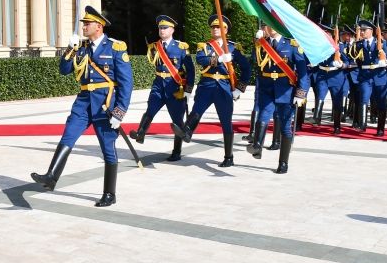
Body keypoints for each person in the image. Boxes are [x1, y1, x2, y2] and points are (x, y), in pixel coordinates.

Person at [31, 6, 133, 207]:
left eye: (88, 23)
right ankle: (52, 176)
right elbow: (64, 70)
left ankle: (109, 194)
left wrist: (120, 112)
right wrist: (70, 49)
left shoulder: (115, 47)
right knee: (68, 135)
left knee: (108, 149)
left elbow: (126, 83)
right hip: (84, 101)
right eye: (84, 23)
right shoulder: (82, 47)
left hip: (105, 104)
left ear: (99, 26)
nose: (84, 26)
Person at [173, 15, 251, 167]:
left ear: (226, 30)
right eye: (213, 27)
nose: (215, 29)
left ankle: (229, 157)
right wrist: (219, 59)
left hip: (224, 86)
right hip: (207, 85)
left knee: (226, 122)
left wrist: (240, 89)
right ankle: (187, 132)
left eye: (219, 27)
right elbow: (200, 60)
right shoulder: (205, 46)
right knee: (196, 111)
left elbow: (246, 68)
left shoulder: (234, 47)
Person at [248, 23, 310, 174]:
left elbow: (303, 72)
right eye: (267, 25)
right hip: (266, 88)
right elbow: (254, 62)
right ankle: (257, 146)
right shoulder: (262, 44)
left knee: (285, 126)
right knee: (263, 116)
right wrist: (256, 44)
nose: (271, 27)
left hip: (285, 90)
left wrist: (301, 93)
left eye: (274, 24)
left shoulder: (292, 45)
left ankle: (283, 163)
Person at [129, 15, 194, 146]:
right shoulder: (154, 47)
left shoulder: (181, 47)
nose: (162, 30)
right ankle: (140, 133)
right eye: (160, 28)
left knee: (176, 119)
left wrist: (188, 89)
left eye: (165, 28)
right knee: (150, 109)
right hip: (158, 84)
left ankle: (182, 141)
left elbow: (191, 70)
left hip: (175, 87)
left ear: (172, 30)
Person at [350, 19, 387, 136]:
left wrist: (383, 61)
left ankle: (380, 128)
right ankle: (362, 125)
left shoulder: (381, 43)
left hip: (379, 75)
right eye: (360, 30)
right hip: (365, 76)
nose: (362, 32)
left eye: (364, 30)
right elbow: (355, 58)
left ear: (371, 31)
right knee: (364, 98)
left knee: (380, 102)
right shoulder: (358, 44)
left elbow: (386, 57)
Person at [312, 20, 351, 136]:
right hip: (322, 75)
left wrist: (342, 65)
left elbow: (347, 61)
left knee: (337, 101)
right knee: (320, 95)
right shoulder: (318, 46)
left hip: (336, 76)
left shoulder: (336, 46)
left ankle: (337, 125)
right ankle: (317, 118)